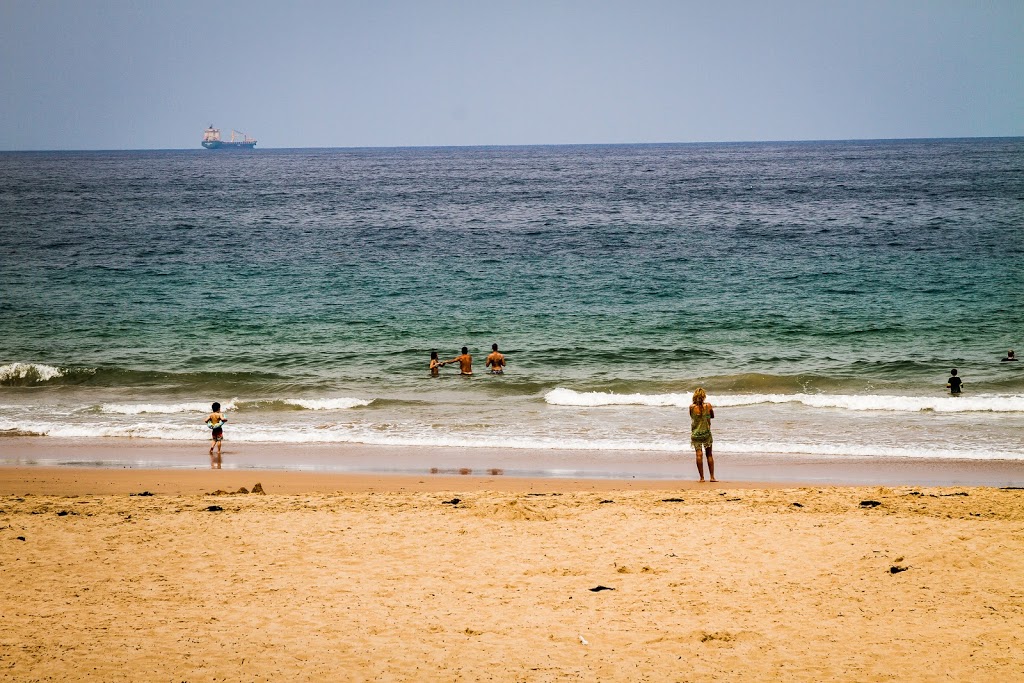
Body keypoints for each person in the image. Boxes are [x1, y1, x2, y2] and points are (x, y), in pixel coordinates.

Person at [689, 388, 716, 482]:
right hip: (706, 433)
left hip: (696, 433)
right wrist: (707, 415)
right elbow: (712, 416)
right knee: (709, 454)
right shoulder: (708, 406)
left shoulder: (691, 407)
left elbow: (692, 417)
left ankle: (702, 478)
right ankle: (712, 477)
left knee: (698, 455)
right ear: (704, 396)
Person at [205, 402, 227, 466]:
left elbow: (206, 420)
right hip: (219, 429)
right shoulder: (219, 414)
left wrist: (209, 422)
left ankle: (212, 448)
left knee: (214, 440)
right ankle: (218, 451)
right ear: (219, 408)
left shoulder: (211, 415)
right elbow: (222, 419)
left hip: (214, 429)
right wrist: (225, 419)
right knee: (219, 440)